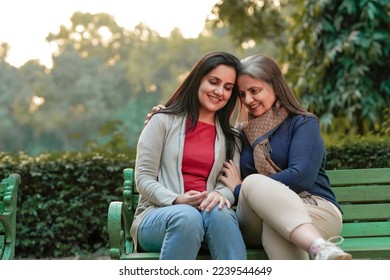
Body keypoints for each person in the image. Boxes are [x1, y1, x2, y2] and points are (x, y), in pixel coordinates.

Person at [218, 54, 352, 260]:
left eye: (255, 91)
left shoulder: (303, 123)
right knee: (254, 185)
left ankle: (319, 249)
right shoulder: (240, 133)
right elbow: (205, 131)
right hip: (254, 217)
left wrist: (240, 187)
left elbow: (301, 177)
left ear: (275, 86)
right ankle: (319, 247)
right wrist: (169, 115)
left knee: (277, 228)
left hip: (315, 208)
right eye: (242, 94)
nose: (248, 100)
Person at [131, 51, 246, 260]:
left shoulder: (233, 137)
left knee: (220, 212)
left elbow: (228, 185)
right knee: (187, 216)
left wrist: (221, 195)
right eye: (214, 82)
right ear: (198, 80)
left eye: (228, 88)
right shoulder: (162, 121)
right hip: (158, 218)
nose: (219, 91)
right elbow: (143, 178)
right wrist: (176, 199)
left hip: (210, 221)